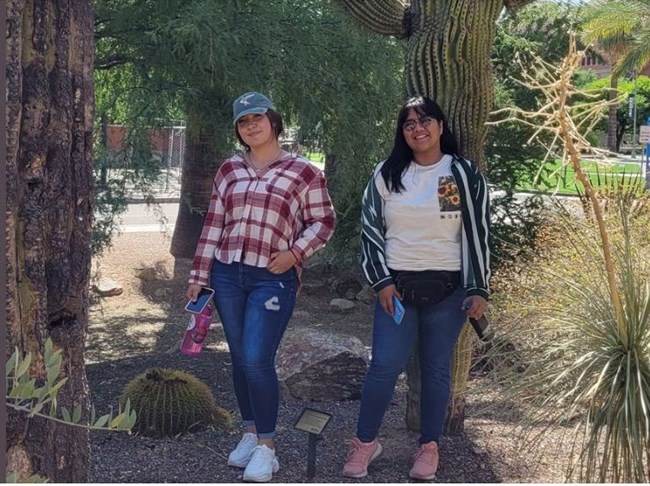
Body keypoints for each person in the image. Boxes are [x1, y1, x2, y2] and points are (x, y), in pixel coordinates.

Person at [186, 92, 336, 482]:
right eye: (242, 121)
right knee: (238, 358)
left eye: (257, 117)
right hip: (227, 273)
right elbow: (214, 224)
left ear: (274, 121)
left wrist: (295, 254)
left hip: (272, 276)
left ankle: (268, 449)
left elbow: (324, 221)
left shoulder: (303, 171)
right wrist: (199, 276)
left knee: (256, 358)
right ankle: (250, 434)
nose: (251, 125)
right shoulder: (229, 170)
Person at [342, 96, 490, 480]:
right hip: (397, 291)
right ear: (402, 132)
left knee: (437, 370)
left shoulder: (460, 174)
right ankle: (364, 443)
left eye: (425, 121)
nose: (417, 128)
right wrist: (382, 281)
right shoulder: (388, 174)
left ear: (441, 126)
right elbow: (371, 230)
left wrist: (479, 288)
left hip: (449, 291)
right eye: (409, 123)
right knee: (384, 367)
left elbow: (476, 233)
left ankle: (428, 447)